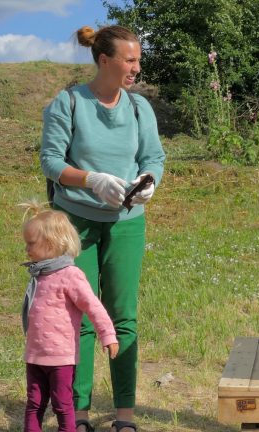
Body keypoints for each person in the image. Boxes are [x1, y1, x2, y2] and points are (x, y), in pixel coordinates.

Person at [40, 24, 165, 432]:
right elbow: (51, 163)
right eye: (130, 60)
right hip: (76, 222)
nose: (136, 68)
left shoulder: (138, 108)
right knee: (80, 315)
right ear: (104, 60)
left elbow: (155, 157)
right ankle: (77, 415)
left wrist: (147, 182)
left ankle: (125, 415)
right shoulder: (68, 103)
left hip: (127, 223)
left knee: (123, 316)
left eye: (139, 60)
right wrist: (93, 180)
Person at [18, 201, 119, 432]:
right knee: (34, 403)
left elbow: (93, 306)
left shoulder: (70, 275)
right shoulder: (39, 274)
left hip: (61, 358)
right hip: (35, 355)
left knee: (63, 405)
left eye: (31, 244)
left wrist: (108, 334)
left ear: (52, 243)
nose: (26, 249)